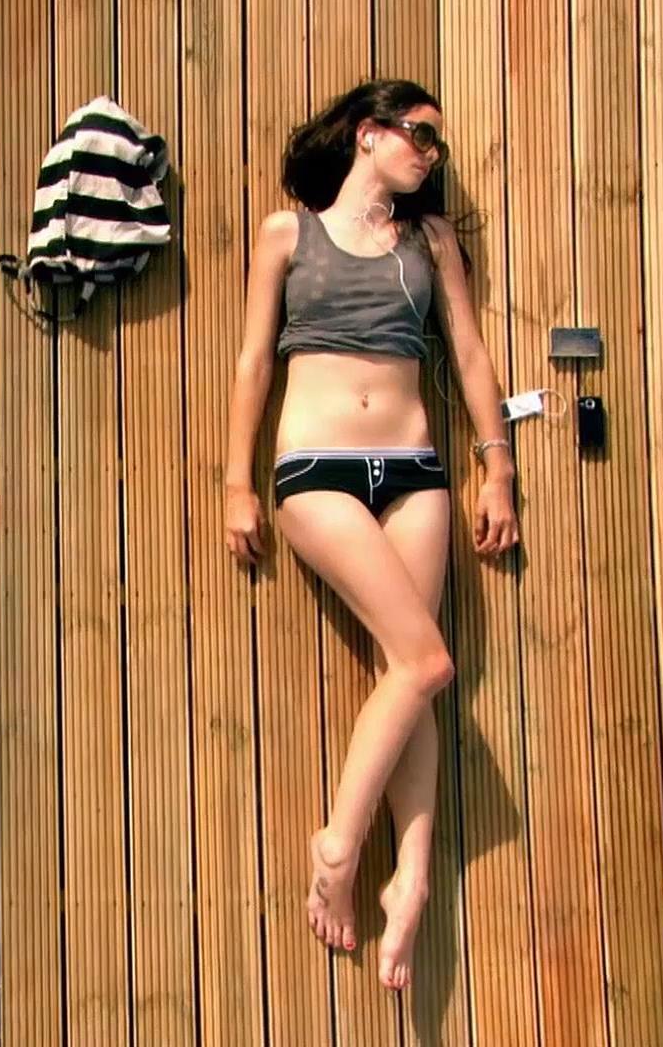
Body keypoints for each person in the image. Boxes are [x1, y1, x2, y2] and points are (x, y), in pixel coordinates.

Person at [221, 78, 520, 992]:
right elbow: (253, 361)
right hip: (317, 469)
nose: (431, 155)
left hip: (416, 472)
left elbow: (469, 354)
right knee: (428, 664)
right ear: (368, 133)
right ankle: (340, 845)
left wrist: (498, 467)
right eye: (420, 136)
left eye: (438, 146)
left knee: (412, 670)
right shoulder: (288, 233)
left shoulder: (430, 242)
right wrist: (237, 482)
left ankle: (413, 878)